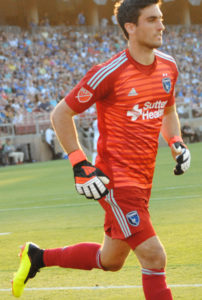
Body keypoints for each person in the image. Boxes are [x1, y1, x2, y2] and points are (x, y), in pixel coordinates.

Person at [12, 1, 191, 299]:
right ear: (130, 28)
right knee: (154, 256)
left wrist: (176, 142)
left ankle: (37, 257)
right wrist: (80, 164)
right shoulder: (109, 72)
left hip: (144, 179)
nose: (162, 26)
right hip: (115, 180)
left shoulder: (168, 66)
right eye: (152, 20)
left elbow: (167, 109)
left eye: (161, 19)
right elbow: (61, 114)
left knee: (111, 261)